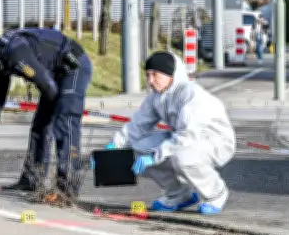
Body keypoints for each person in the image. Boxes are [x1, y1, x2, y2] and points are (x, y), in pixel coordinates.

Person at [94, 51, 236, 215]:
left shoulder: (191, 94)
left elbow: (187, 135)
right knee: (139, 148)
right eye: (147, 75)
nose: (150, 81)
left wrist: (155, 156)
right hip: (182, 139)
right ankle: (179, 194)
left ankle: (215, 193)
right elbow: (138, 124)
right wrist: (114, 147)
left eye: (155, 75)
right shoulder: (156, 96)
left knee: (183, 156)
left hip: (214, 140)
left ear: (171, 74)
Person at [0, 28, 93, 197]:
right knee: (40, 126)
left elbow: (47, 85)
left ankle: (68, 187)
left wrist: (62, 108)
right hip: (53, 74)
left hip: (73, 67)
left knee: (65, 121)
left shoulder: (14, 52)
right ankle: (32, 179)